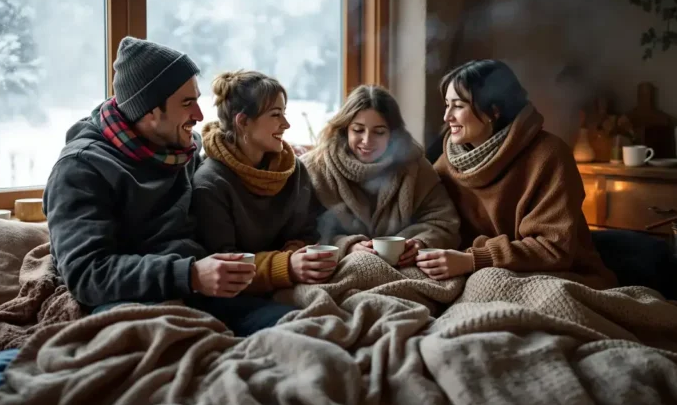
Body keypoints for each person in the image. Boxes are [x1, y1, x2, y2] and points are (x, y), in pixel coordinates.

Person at [0, 38, 282, 404]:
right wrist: (190, 274)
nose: (199, 114)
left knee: (298, 326)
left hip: (199, 291)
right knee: (4, 387)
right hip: (128, 299)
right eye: (186, 103)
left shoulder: (185, 148)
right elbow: (88, 274)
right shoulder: (81, 169)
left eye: (197, 99)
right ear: (149, 112)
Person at [416, 60, 618, 290]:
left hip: (559, 277)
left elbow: (554, 248)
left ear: (494, 110)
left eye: (459, 106)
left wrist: (473, 260)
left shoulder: (549, 155)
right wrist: (418, 241)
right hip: (473, 276)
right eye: (446, 105)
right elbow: (435, 223)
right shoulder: (446, 164)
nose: (447, 117)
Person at [191, 70, 337, 299]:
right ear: (243, 122)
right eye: (276, 115)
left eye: (284, 114)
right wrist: (286, 265)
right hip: (235, 299)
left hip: (295, 283)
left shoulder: (293, 170)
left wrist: (299, 257)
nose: (286, 124)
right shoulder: (209, 184)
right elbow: (222, 266)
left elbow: (308, 230)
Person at [301, 85, 460, 265]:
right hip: (339, 266)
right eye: (358, 130)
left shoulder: (415, 166)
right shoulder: (315, 168)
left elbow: (444, 222)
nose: (367, 141)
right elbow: (302, 233)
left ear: (393, 134)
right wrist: (347, 246)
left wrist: (420, 243)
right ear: (345, 129)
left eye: (379, 132)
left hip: (404, 267)